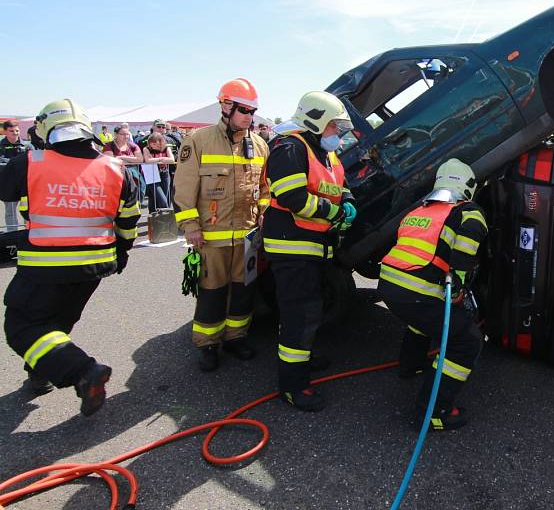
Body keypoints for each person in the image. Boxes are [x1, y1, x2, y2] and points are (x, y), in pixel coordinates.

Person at [0, 99, 140, 415]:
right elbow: (129, 219)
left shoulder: (31, 161)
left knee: (22, 327)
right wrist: (122, 252)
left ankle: (83, 372)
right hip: (95, 266)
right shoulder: (116, 169)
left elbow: (5, 191)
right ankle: (39, 375)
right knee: (55, 324)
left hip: (46, 266)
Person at [262, 91, 356, 412]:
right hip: (291, 246)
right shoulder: (289, 148)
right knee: (299, 314)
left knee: (308, 312)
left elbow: (340, 185)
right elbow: (293, 198)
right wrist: (336, 213)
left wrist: (349, 202)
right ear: (315, 122)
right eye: (333, 127)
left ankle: (302, 356)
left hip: (312, 247)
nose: (337, 134)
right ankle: (293, 385)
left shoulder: (325, 153)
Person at [378, 159, 487, 431]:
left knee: (424, 319)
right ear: (469, 185)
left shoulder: (420, 210)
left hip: (390, 286)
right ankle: (433, 413)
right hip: (416, 290)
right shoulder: (469, 212)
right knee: (466, 342)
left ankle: (410, 366)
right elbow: (463, 256)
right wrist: (459, 289)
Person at [173, 78, 269, 372]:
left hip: (247, 238)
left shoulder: (260, 145)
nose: (249, 117)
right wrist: (190, 226)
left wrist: (263, 215)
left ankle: (236, 338)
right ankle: (208, 345)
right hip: (211, 239)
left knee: (243, 292)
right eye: (243, 110)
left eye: (253, 111)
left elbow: (265, 189)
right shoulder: (198, 141)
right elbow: (184, 188)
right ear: (225, 106)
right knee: (212, 293)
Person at [1, 120, 33, 230]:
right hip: (8, 184)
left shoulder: (28, 146)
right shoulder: (1, 147)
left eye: (17, 130)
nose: (15, 133)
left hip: (25, 184)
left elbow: (36, 162)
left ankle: (28, 232)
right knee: (10, 211)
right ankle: (12, 235)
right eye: (11, 131)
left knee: (27, 209)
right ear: (4, 131)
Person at [142, 131, 175, 212]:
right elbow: (147, 160)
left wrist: (154, 160)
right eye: (151, 143)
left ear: (161, 142)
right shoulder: (146, 149)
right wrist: (161, 159)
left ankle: (156, 219)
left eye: (156, 143)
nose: (153, 145)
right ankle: (163, 217)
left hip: (164, 174)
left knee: (163, 197)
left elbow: (172, 160)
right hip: (151, 174)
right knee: (161, 199)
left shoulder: (166, 148)